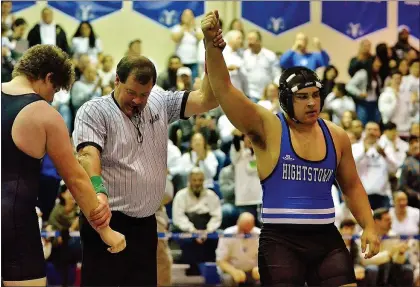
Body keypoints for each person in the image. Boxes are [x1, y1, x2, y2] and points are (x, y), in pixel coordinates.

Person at [201, 11, 380, 286]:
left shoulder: (337, 135)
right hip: (281, 241)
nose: (311, 103)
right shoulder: (268, 129)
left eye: (315, 95)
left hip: (326, 239)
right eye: (302, 97)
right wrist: (212, 46)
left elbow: (352, 185)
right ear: (286, 100)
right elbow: (224, 90)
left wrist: (368, 224)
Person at [73, 32, 225, 286]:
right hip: (108, 218)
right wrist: (99, 193)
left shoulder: (159, 101)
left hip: (146, 222)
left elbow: (207, 99)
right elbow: (87, 155)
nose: (138, 100)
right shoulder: (94, 110)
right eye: (132, 92)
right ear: (116, 80)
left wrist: (211, 51)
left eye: (144, 94)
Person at [1, 44, 126, 287]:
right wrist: (104, 230)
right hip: (13, 220)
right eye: (55, 89)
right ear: (48, 77)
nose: (51, 97)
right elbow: (76, 179)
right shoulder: (43, 113)